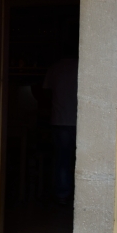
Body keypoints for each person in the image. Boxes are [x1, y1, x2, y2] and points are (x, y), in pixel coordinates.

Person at [43, 49, 79, 206]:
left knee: (63, 160)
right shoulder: (81, 67)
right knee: (81, 160)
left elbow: (45, 94)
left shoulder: (54, 69)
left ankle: (62, 195)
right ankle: (79, 196)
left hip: (59, 120)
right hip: (79, 120)